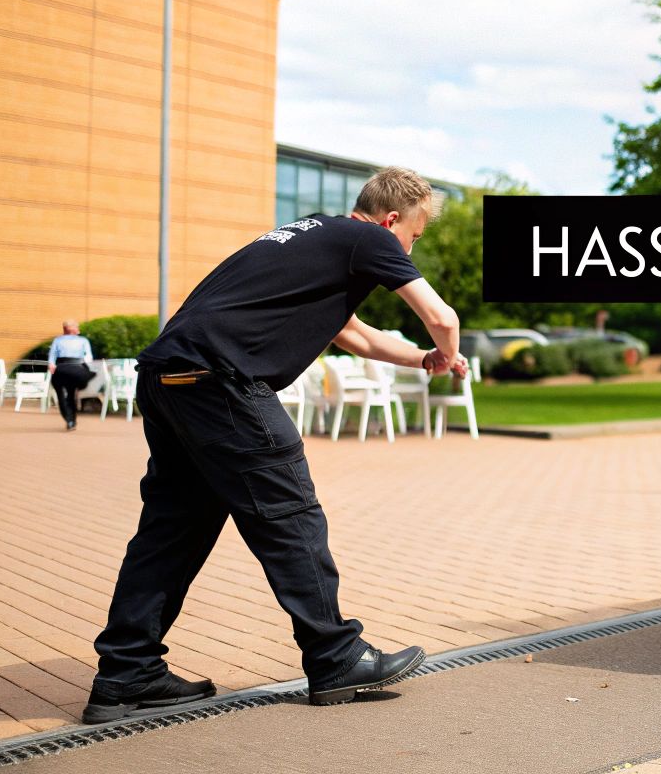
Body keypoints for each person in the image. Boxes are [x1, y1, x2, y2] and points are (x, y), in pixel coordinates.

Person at [82, 167, 467, 723]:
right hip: (220, 382)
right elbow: (442, 316)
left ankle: (126, 673)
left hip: (169, 377)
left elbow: (354, 335)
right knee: (291, 516)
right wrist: (448, 350)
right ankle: (336, 657)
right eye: (414, 235)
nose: (409, 248)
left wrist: (424, 360)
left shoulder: (313, 235)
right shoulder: (370, 240)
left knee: (171, 532)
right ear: (391, 221)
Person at [47, 320, 95, 431]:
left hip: (61, 369)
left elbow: (52, 358)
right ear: (71, 329)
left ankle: (69, 420)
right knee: (71, 395)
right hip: (77, 369)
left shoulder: (57, 340)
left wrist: (52, 366)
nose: (79, 329)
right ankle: (72, 420)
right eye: (77, 327)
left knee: (61, 395)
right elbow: (89, 358)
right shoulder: (83, 340)